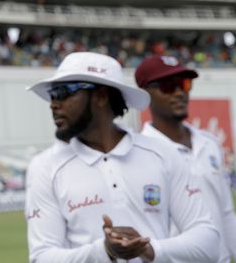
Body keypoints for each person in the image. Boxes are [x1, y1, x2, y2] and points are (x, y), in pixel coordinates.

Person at [24, 52, 219, 262]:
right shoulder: (44, 167)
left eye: (63, 92)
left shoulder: (162, 154)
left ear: (101, 96)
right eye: (52, 95)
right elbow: (42, 257)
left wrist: (150, 250)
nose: (54, 104)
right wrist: (104, 251)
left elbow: (208, 241)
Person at [136, 55, 236, 263]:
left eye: (184, 84)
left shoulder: (209, 143)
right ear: (144, 95)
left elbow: (226, 213)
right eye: (168, 86)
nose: (180, 92)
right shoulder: (139, 153)